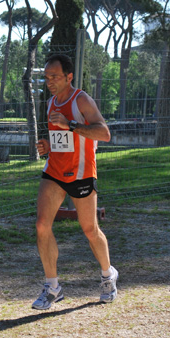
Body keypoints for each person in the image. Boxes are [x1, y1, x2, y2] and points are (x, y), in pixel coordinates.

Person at [32, 53, 118, 310]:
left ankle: (107, 275)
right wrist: (48, 146)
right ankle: (52, 287)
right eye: (47, 77)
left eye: (55, 77)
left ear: (69, 77)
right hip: (55, 172)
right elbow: (62, 141)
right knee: (41, 225)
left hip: (81, 174)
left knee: (90, 230)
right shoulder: (49, 103)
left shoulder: (81, 99)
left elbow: (104, 133)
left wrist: (70, 124)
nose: (50, 81)